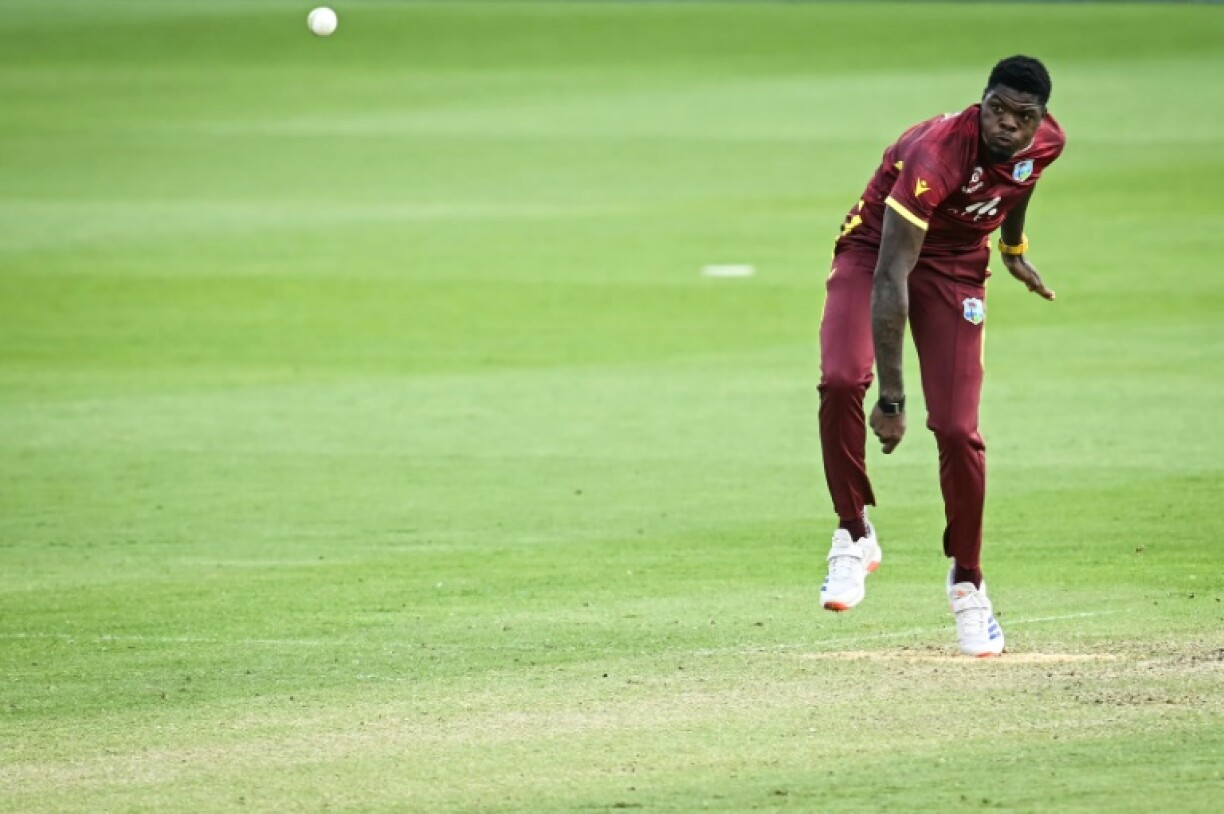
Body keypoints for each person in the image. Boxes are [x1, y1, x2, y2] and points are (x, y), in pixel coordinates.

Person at [817, 56, 1064, 657]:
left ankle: (968, 583)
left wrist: (1011, 246)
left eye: (1022, 117)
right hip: (879, 251)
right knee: (843, 379)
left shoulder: (1046, 142)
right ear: (982, 100)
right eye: (997, 109)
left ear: (1040, 120)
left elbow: (1019, 181)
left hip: (957, 266)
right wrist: (893, 397)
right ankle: (854, 534)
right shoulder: (936, 157)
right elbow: (890, 278)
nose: (1006, 124)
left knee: (958, 430)